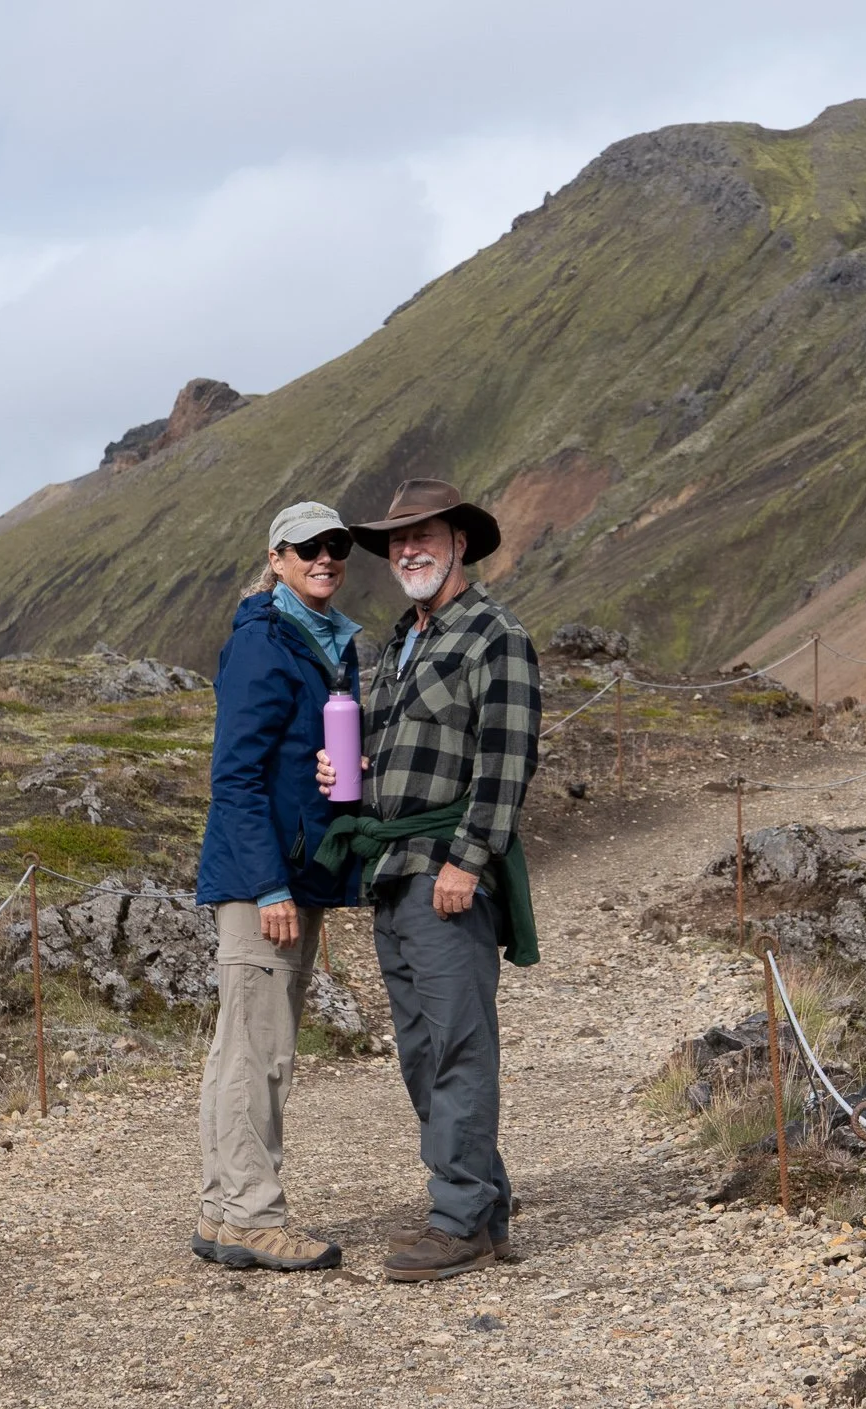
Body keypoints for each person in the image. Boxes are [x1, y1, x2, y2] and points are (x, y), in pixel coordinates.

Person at [313, 478, 541, 1283]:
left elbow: (505, 762)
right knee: (422, 1052)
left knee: (457, 1046)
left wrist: (466, 861)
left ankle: (457, 1221)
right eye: (398, 540)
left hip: (444, 871)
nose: (407, 549)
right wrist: (343, 768)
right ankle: (485, 1208)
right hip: (392, 871)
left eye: (425, 536)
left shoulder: (493, 636)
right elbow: (388, 755)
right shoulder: (399, 643)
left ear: (459, 544)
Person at [191, 501, 364, 1272]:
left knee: (243, 1045)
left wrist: (332, 777)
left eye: (336, 546)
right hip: (267, 880)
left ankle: (224, 1209)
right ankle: (256, 1216)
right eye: (308, 548)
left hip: (297, 871)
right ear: (278, 557)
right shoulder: (266, 642)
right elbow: (233, 777)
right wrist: (267, 885)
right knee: (261, 1050)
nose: (325, 558)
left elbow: (295, 756)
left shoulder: (323, 642)